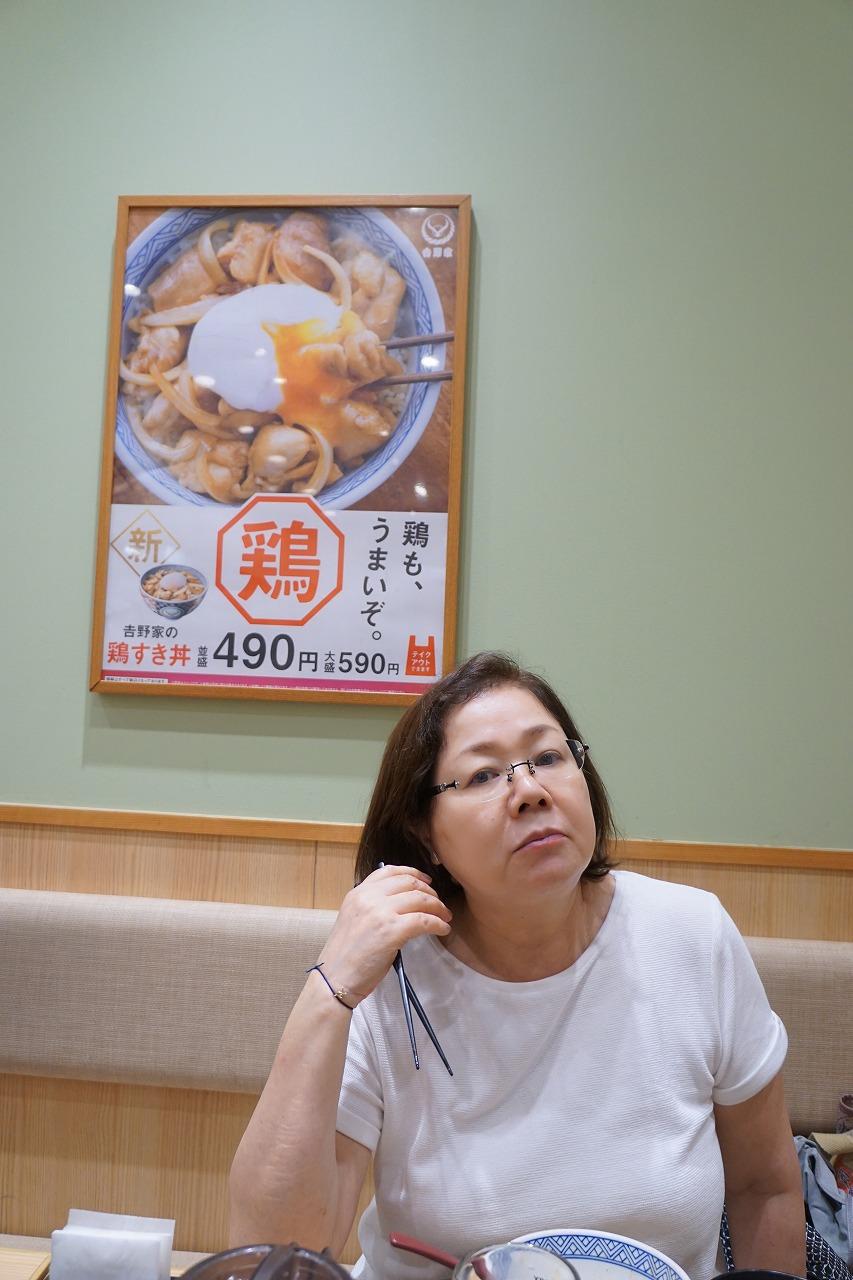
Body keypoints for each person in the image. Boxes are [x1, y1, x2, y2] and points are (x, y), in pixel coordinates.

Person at [230, 652, 805, 1280]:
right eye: (482, 775)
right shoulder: (391, 973)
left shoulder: (691, 934)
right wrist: (329, 991)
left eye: (549, 757)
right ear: (425, 834)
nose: (530, 791)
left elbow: (765, 1188)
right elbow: (273, 1248)